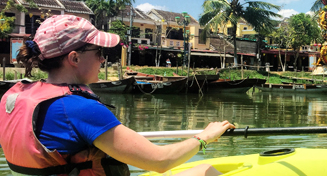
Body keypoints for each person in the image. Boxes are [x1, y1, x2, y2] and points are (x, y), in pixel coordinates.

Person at [0, 15, 235, 176]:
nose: (103, 59)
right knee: (206, 171)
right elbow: (161, 161)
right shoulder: (78, 108)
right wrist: (205, 136)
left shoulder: (14, 96)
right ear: (74, 58)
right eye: (99, 52)